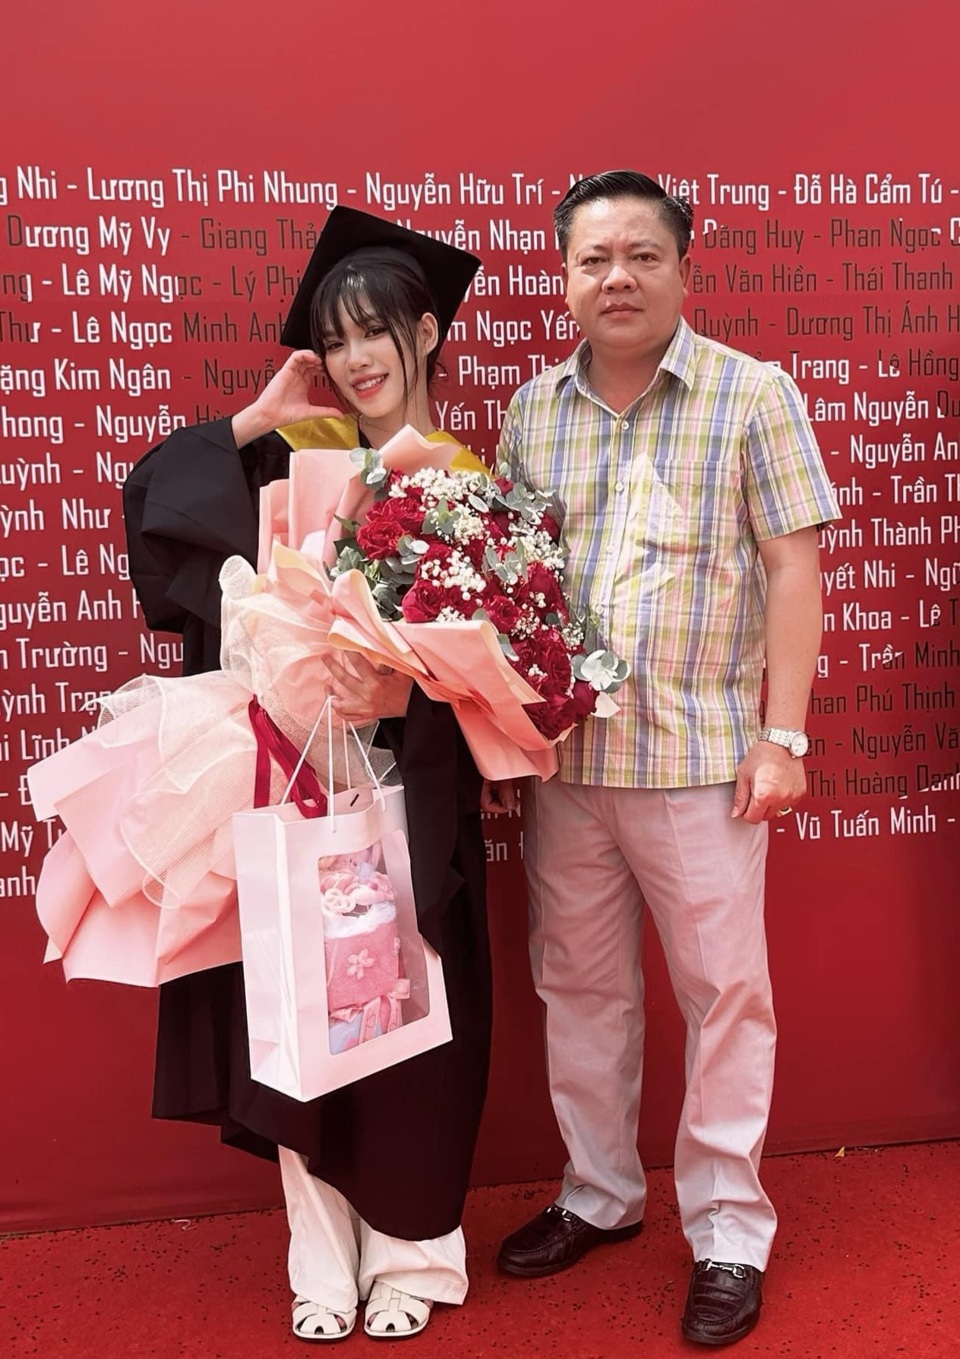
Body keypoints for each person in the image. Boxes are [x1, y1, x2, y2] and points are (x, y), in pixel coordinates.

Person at [123, 208, 491, 1342]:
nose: (357, 357)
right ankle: (323, 1267)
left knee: (414, 1029)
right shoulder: (291, 463)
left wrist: (414, 689)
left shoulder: (474, 484)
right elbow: (156, 497)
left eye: (377, 330)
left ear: (426, 334)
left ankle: (413, 1266)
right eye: (336, 340)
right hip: (302, 785)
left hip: (415, 793)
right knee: (303, 1029)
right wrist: (258, 418)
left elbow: (504, 663)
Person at [489, 170, 840, 1346]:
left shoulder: (754, 395)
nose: (618, 278)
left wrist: (782, 738)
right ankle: (600, 1193)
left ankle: (730, 1230)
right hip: (569, 770)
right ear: (566, 277)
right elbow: (511, 589)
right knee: (580, 991)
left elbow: (795, 569)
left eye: (641, 255)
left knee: (725, 1000)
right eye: (594, 259)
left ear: (685, 268)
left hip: (701, 761)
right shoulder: (532, 412)